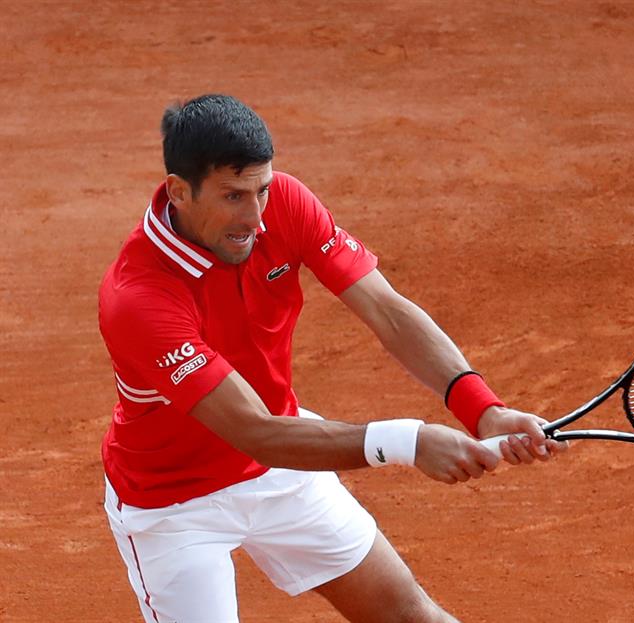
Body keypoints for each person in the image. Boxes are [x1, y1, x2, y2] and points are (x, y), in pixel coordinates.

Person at [98, 93, 564, 623]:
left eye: (262, 191)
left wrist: (484, 410)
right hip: (176, 506)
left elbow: (387, 311)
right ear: (179, 192)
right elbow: (256, 430)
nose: (254, 216)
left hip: (286, 469)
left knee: (411, 615)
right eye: (232, 196)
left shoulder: (287, 205)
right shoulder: (138, 298)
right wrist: (407, 441)